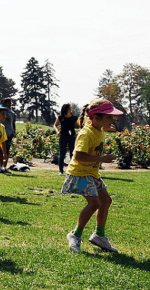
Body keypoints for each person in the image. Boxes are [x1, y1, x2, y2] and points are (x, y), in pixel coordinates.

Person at [63, 99, 123, 253]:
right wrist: (102, 159)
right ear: (96, 118)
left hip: (92, 173)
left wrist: (106, 128)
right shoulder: (86, 133)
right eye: (109, 117)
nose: (112, 119)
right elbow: (78, 156)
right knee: (94, 203)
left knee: (106, 201)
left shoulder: (98, 129)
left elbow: (98, 131)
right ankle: (75, 235)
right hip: (80, 173)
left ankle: (99, 236)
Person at [54, 103, 78, 176]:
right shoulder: (61, 117)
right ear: (66, 109)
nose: (71, 109)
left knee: (72, 154)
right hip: (63, 137)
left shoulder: (74, 117)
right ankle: (61, 171)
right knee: (62, 154)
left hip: (72, 137)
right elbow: (55, 125)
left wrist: (78, 134)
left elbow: (82, 126)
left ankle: (71, 170)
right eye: (70, 108)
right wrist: (57, 132)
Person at [0, 98, 17, 173]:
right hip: (1, 132)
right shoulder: (0, 112)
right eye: (8, 103)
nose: (10, 104)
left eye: (10, 103)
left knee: (7, 150)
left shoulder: (12, 113)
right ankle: (0, 166)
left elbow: (13, 123)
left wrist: (14, 131)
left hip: (9, 133)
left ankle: (4, 166)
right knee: (1, 150)